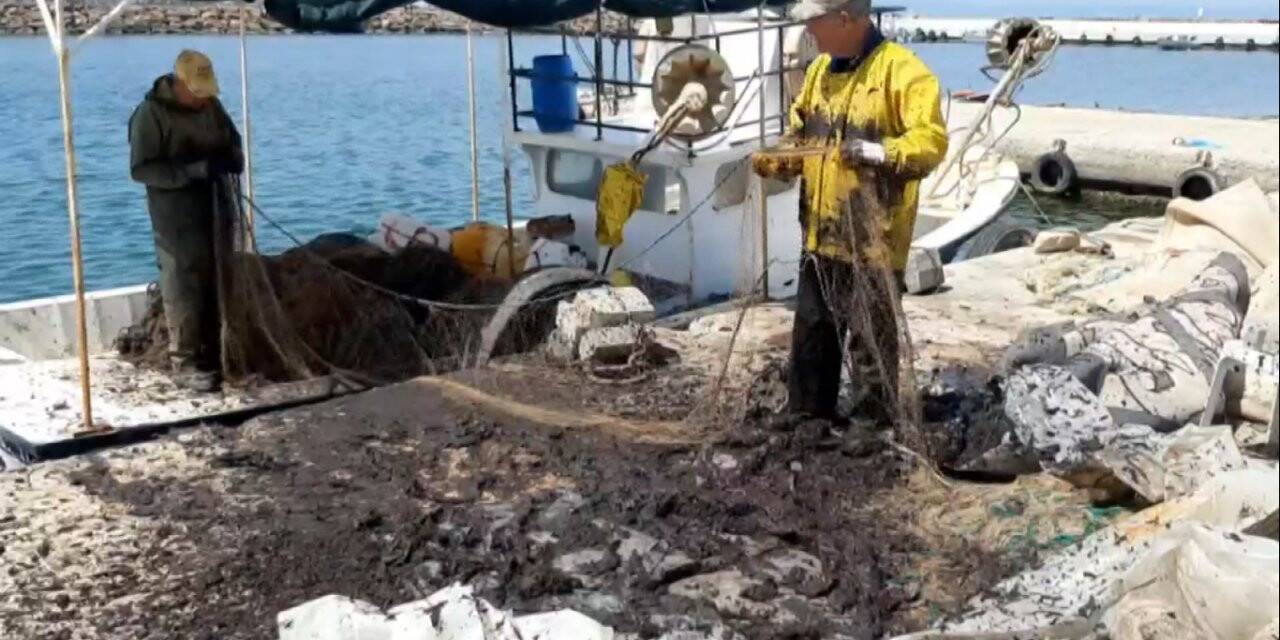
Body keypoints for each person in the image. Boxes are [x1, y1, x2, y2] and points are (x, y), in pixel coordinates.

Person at [753, 0, 947, 425]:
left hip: (873, 238)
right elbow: (801, 127)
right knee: (812, 330)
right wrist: (781, 157)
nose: (809, 33)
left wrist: (879, 152)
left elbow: (930, 143)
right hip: (820, 234)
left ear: (845, 19)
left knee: (869, 338)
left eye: (814, 23)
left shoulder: (904, 72)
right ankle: (808, 412)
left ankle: (871, 423)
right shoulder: (820, 72)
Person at [129, 50, 244, 392]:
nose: (201, 97)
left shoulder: (212, 106)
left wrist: (231, 159)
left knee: (219, 273)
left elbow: (233, 142)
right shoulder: (150, 114)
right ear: (178, 84)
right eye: (195, 91)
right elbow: (141, 169)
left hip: (216, 203)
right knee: (183, 279)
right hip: (175, 211)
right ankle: (186, 363)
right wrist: (192, 171)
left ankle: (217, 351)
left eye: (205, 91)